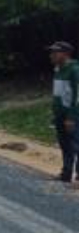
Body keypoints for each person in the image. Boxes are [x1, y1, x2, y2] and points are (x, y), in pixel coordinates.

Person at [48, 41, 79, 183]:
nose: (52, 55)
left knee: (75, 143)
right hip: (60, 114)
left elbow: (77, 95)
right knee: (64, 144)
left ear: (66, 54)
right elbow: (58, 93)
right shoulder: (58, 69)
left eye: (56, 52)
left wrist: (71, 116)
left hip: (72, 114)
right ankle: (66, 172)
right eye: (51, 52)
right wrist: (55, 113)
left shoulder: (74, 70)